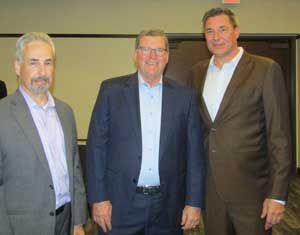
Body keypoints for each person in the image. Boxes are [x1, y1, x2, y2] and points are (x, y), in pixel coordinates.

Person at [86, 29, 205, 235]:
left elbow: (194, 154)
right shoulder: (111, 91)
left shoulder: (185, 97)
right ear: (136, 54)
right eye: (146, 49)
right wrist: (98, 198)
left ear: (167, 57)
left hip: (168, 207)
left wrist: (193, 202)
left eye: (159, 50)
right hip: (118, 205)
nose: (152, 56)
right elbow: (96, 148)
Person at [187, 7, 292, 235]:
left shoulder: (265, 69)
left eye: (222, 29)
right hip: (211, 190)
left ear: (236, 31)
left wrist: (277, 195)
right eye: (209, 31)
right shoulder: (196, 73)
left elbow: (279, 136)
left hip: (252, 191)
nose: (216, 37)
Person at [0, 32, 87, 235]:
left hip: (66, 221)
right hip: (21, 227)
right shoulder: (3, 114)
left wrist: (78, 221)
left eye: (48, 63)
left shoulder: (65, 112)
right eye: (33, 63)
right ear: (16, 67)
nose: (42, 71)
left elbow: (74, 170)